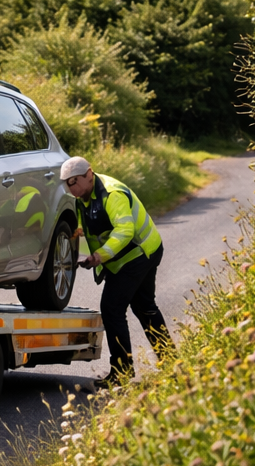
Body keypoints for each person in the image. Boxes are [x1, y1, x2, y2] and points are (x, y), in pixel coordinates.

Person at [60, 155, 173, 387]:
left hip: (139, 254)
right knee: (145, 308)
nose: (71, 187)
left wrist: (100, 256)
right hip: (134, 255)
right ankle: (172, 364)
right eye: (67, 183)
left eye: (75, 181)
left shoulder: (112, 194)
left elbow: (125, 230)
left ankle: (122, 372)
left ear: (89, 174)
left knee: (112, 308)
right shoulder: (83, 196)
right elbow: (88, 229)